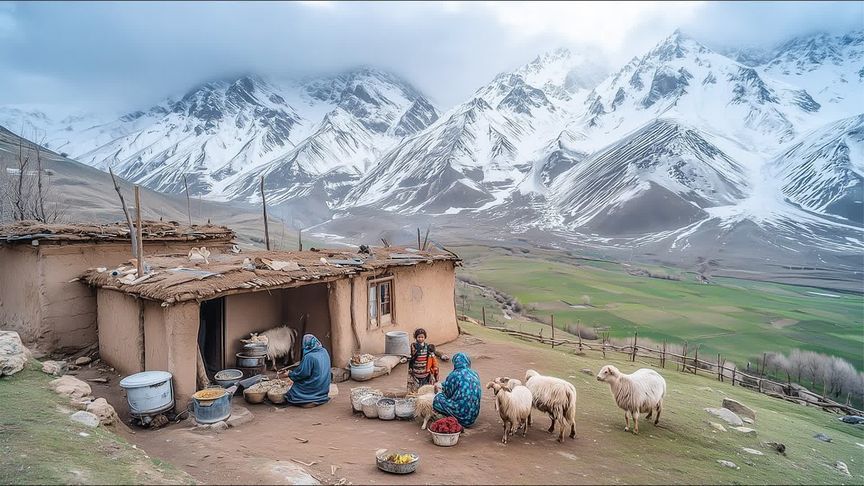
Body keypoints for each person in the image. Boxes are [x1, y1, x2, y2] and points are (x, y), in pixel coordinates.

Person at [432, 352, 481, 427]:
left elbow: (448, 393)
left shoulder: (454, 375)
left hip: (461, 416)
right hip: (472, 417)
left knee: (437, 399)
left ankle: (453, 417)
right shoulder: (475, 374)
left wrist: (439, 390)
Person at [284, 334, 331, 407]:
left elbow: (302, 374)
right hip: (323, 385)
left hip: (315, 384)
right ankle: (320, 397)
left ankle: (308, 400)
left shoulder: (309, 356)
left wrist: (290, 374)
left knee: (294, 389)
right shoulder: (324, 351)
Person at [408, 328, 439, 392]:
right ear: (416, 337)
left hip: (425, 372)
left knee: (424, 388)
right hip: (416, 371)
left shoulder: (427, 346)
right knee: (415, 387)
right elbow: (412, 355)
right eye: (419, 337)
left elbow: (432, 357)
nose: (420, 339)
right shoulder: (413, 346)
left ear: (425, 337)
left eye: (422, 337)